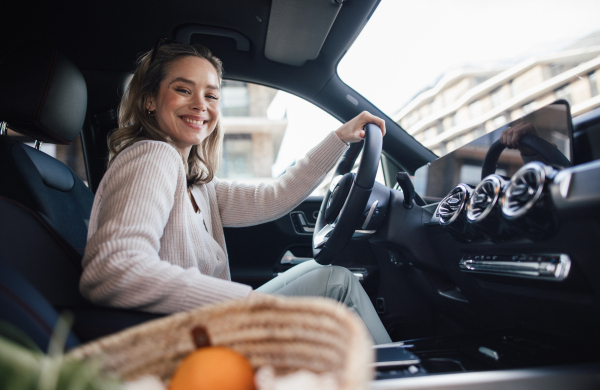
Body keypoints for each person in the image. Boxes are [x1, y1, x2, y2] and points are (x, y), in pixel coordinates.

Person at [80, 41, 392, 344]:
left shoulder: (197, 183)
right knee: (336, 285)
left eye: (211, 95)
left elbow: (274, 196)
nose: (200, 104)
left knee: (331, 278)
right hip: (185, 340)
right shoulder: (152, 157)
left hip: (207, 327)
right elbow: (112, 270)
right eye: (183, 89)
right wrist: (246, 304)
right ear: (150, 100)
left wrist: (339, 138)